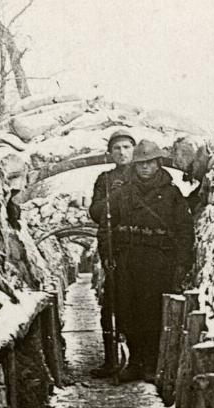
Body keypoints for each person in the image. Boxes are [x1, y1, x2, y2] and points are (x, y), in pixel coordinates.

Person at [109, 140, 195, 383]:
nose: (145, 168)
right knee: (129, 311)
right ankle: (135, 361)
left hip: (159, 262)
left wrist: (182, 263)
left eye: (150, 163)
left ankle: (151, 363)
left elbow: (185, 230)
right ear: (135, 166)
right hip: (130, 260)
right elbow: (104, 219)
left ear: (158, 164)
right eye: (140, 164)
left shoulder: (171, 193)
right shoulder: (124, 192)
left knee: (154, 313)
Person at [87, 129, 136, 378]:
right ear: (110, 153)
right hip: (113, 247)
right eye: (117, 148)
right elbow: (95, 212)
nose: (122, 152)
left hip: (138, 248)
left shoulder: (143, 175)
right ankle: (110, 359)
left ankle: (138, 360)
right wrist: (113, 197)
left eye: (127, 147)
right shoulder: (104, 179)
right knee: (110, 306)